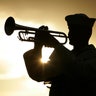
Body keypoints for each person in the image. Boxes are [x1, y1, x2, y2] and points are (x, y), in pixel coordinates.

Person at [23, 13, 96, 96]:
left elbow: (78, 71)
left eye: (74, 29)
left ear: (86, 33)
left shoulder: (93, 56)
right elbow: (38, 74)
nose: (69, 33)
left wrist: (55, 44)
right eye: (69, 29)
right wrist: (37, 47)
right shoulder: (63, 55)